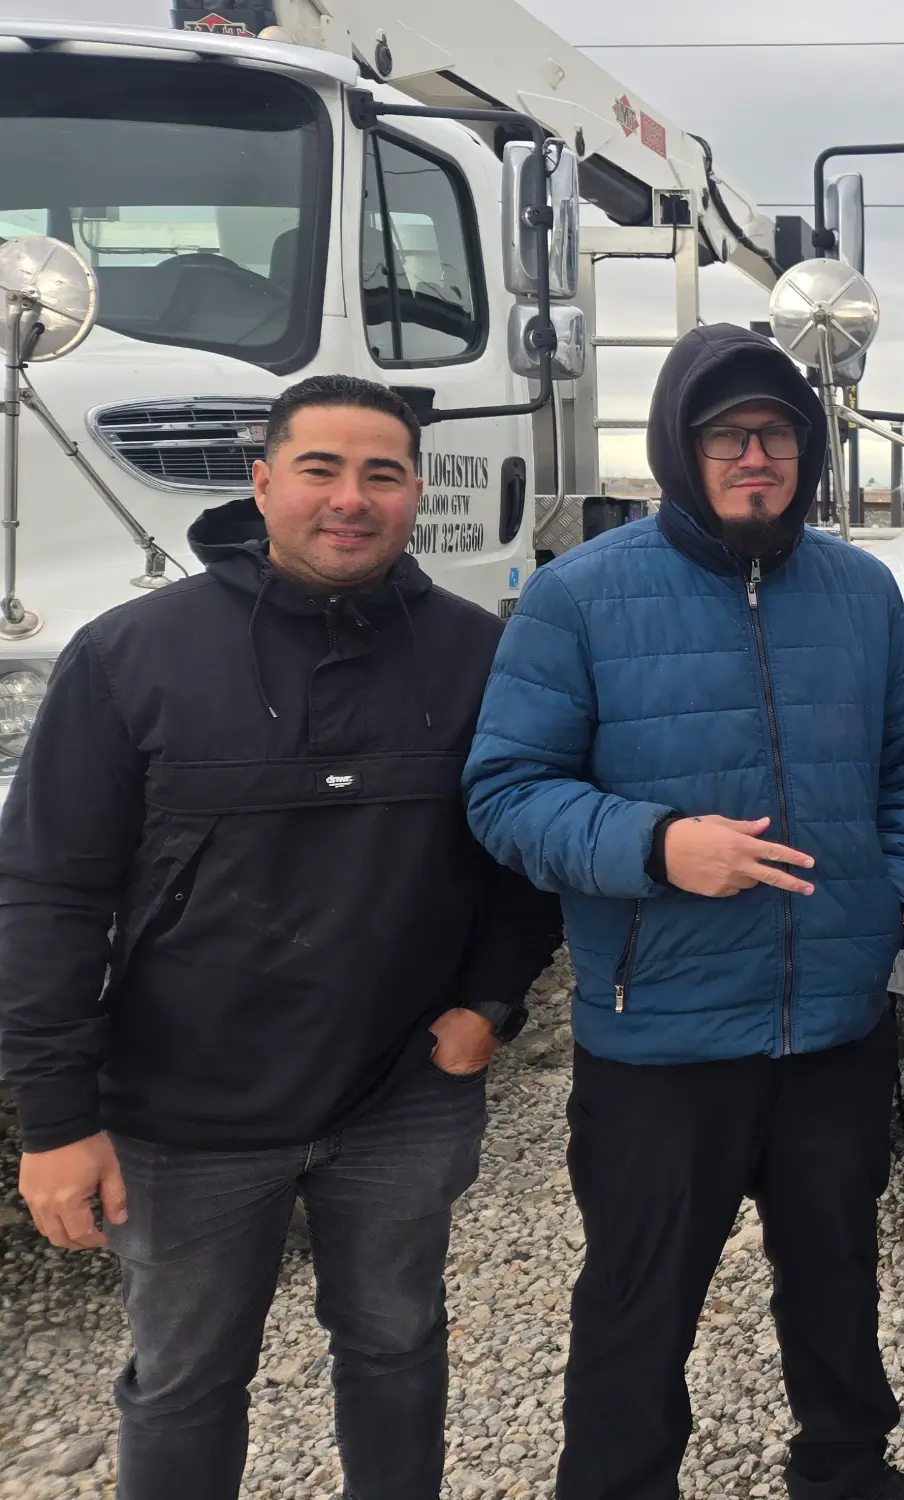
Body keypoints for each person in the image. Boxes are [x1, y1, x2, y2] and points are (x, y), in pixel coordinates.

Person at [0, 376, 561, 1500]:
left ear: (414, 492)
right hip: (183, 1117)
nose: (350, 499)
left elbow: (525, 849)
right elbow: (46, 894)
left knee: (398, 1349)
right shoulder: (127, 658)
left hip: (401, 1098)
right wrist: (56, 1118)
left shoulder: (477, 657)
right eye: (320, 469)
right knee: (186, 1381)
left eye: (382, 474)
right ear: (260, 484)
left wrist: (488, 1004)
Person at [463, 325, 904, 1500]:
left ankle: (846, 1469)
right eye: (726, 433)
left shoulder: (863, 590)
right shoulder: (580, 597)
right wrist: (657, 846)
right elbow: (505, 794)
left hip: (833, 1024)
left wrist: (895, 901)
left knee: (837, 1277)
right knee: (639, 1298)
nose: (755, 455)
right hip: (660, 1030)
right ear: (679, 448)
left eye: (777, 433)